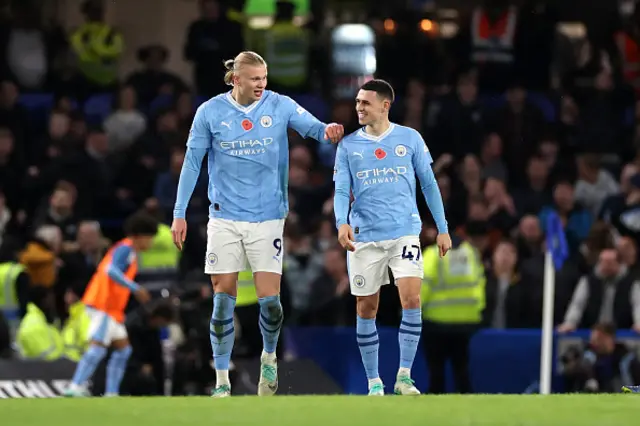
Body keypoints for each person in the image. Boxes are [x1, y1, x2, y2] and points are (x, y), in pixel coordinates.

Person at [171, 51, 344, 398]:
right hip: (224, 218)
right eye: (255, 79)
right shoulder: (210, 112)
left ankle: (269, 357)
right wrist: (179, 212)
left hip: (267, 217)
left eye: (264, 78)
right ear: (236, 79)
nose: (262, 85)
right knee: (222, 302)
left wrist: (328, 131)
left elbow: (313, 127)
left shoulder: (278, 105)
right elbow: (192, 163)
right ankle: (221, 379)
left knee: (270, 303)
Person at [333, 79, 451, 396]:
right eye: (357, 102)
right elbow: (342, 189)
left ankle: (404, 377)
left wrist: (442, 227)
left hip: (404, 233)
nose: (358, 107)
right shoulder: (348, 146)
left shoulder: (409, 139)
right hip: (364, 238)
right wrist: (340, 222)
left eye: (365, 103)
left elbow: (429, 184)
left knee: (412, 300)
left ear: (385, 105)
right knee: (366, 308)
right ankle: (374, 382)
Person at [63, 212, 156, 397]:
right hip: (102, 305)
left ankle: (111, 392)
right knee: (97, 348)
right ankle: (75, 386)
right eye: (150, 238)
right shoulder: (125, 248)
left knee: (123, 350)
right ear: (140, 236)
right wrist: (135, 288)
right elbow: (110, 270)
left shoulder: (131, 252)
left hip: (112, 309)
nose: (151, 243)